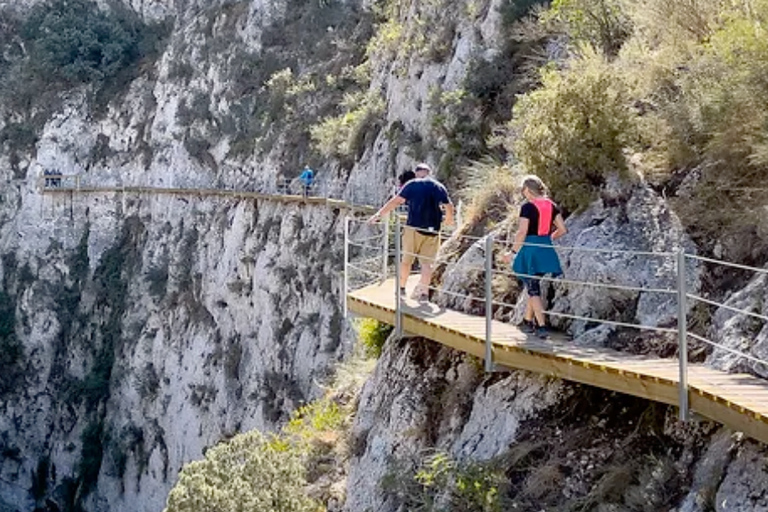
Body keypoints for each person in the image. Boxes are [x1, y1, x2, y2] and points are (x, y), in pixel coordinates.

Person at [369, 163, 454, 301]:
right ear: (429, 172)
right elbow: (449, 206)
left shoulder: (412, 184)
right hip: (433, 230)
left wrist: (378, 215)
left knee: (407, 261)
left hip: (414, 228)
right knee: (427, 264)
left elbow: (396, 201)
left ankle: (402, 288)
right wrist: (449, 220)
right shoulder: (438, 186)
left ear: (416, 173)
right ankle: (424, 294)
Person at [503, 175, 567, 339]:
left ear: (527, 190)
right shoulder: (552, 205)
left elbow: (522, 232)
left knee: (533, 290)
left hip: (530, 250)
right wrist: (547, 239)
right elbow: (562, 229)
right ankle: (527, 320)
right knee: (533, 284)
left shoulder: (527, 207)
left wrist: (513, 252)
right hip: (545, 248)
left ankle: (541, 326)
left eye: (522, 190)